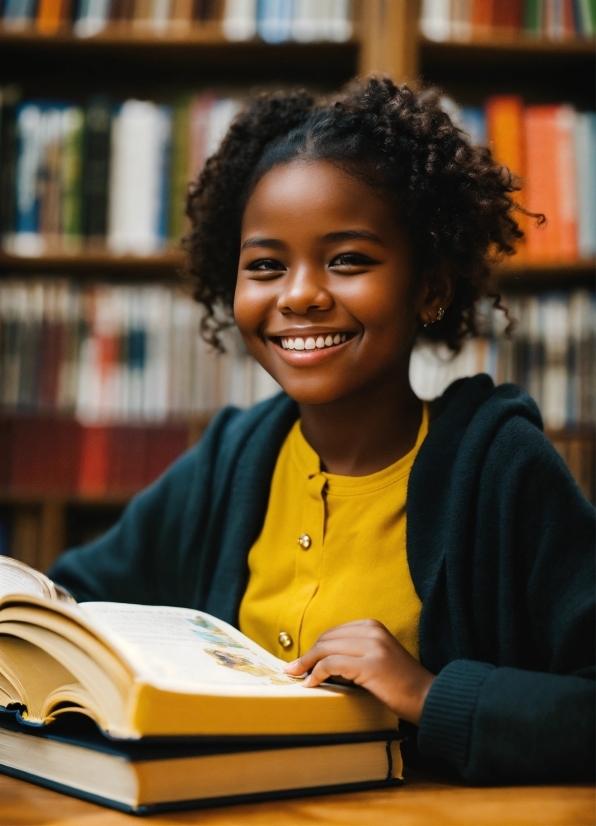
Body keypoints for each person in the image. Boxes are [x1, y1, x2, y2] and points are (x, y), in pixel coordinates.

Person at [49, 77, 595, 785]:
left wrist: (431, 694)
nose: (300, 293)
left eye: (348, 260)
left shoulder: (498, 468)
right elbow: (71, 598)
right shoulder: (231, 458)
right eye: (266, 265)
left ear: (430, 289)